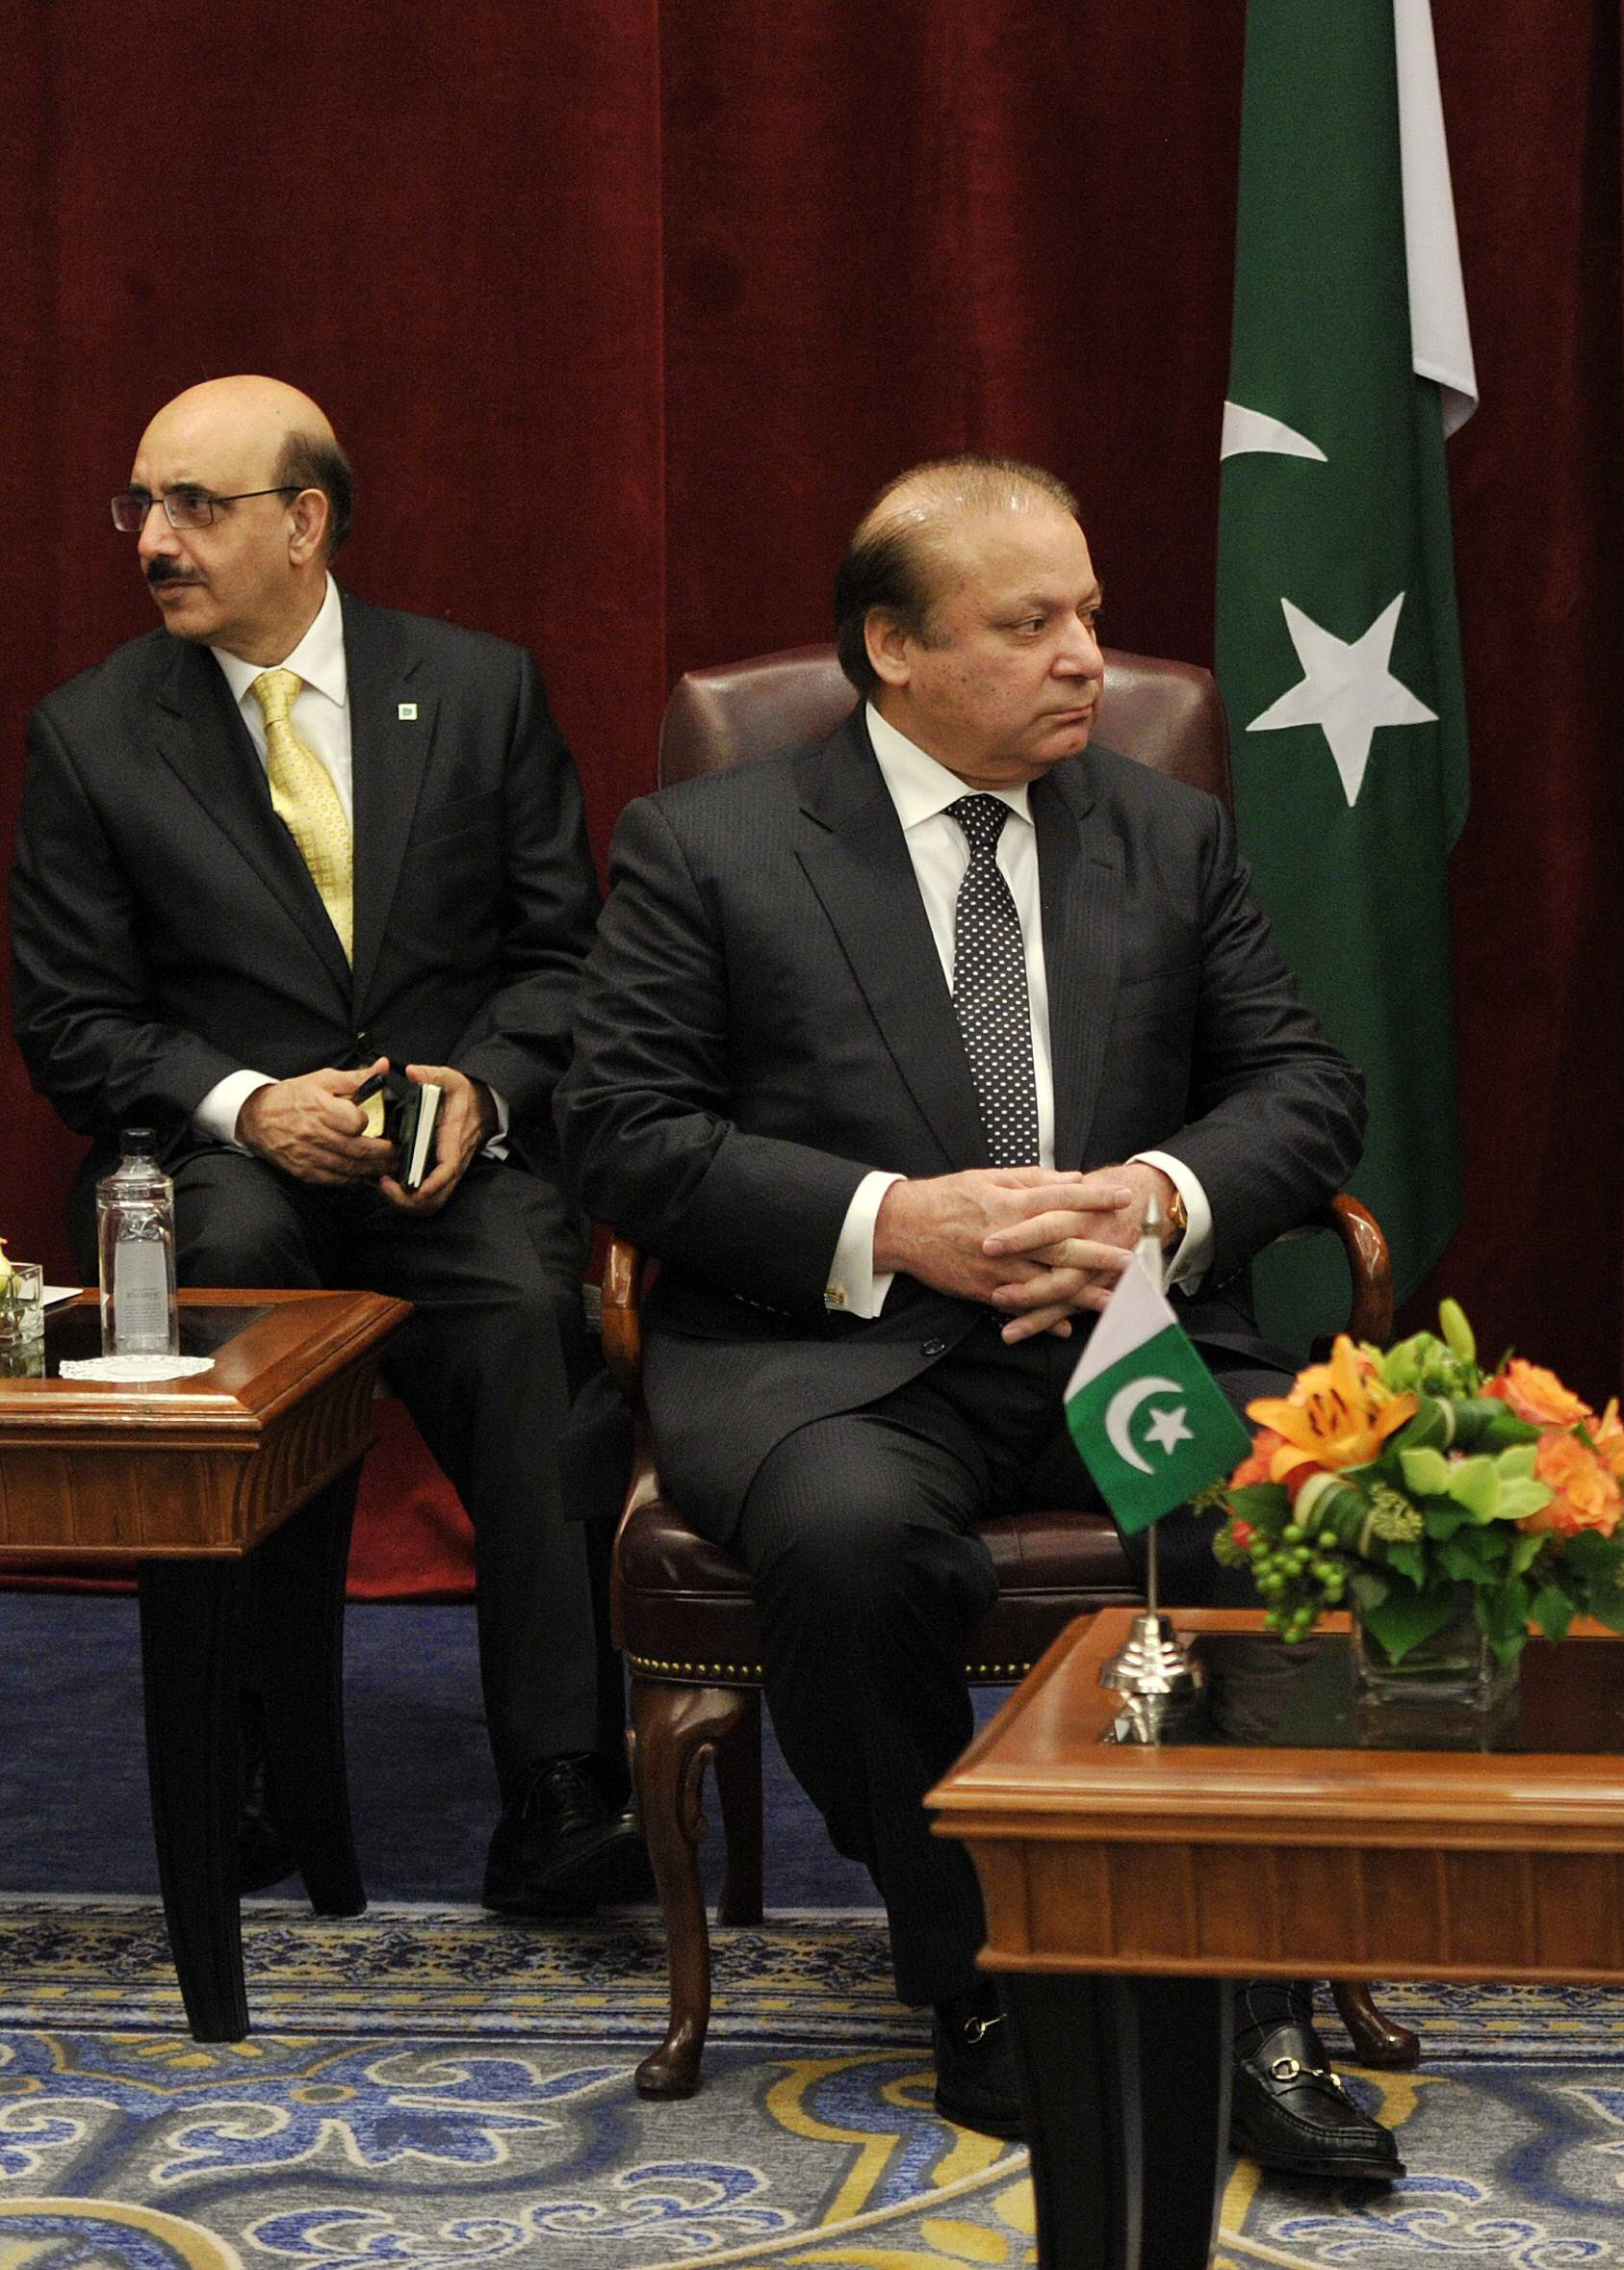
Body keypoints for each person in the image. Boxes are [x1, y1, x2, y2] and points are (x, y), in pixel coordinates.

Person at [554, 455, 1395, 2180]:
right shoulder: (713, 846)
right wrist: (894, 1222)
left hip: (1128, 1332)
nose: (1089, 655)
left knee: (1273, 1518)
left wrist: (1155, 1197)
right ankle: (985, 1964)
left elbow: (1305, 1086)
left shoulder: (1165, 831)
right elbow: (624, 1133)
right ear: (892, 649)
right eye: (1031, 624)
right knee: (854, 1551)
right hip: (840, 1354)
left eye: (1089, 615)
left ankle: (1248, 1992)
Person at [10, 375, 639, 1915]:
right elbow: (73, 1020)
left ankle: (562, 1788)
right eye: (138, 507)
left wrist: (483, 1090)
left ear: (306, 522)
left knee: (531, 1317)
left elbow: (567, 959)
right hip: (226, 1166)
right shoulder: (95, 735)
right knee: (214, 1272)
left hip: (447, 1170)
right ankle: (238, 1764)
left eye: (193, 508)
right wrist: (248, 1103)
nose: (153, 540)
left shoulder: (479, 690)